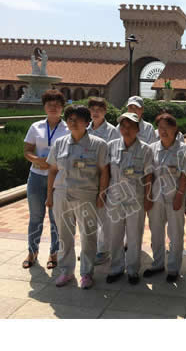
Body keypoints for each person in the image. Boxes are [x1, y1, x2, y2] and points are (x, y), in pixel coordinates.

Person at [46, 105, 110, 288]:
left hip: (86, 195)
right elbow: (52, 170)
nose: (73, 123)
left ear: (87, 122)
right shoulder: (59, 143)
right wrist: (49, 195)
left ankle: (86, 273)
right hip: (62, 194)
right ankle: (66, 271)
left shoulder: (98, 144)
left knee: (88, 235)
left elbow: (104, 172)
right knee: (64, 235)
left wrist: (102, 195)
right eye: (70, 119)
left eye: (78, 119)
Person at [22, 90, 69, 269]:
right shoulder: (36, 127)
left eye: (57, 105)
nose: (53, 108)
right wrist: (37, 160)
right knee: (35, 216)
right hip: (36, 176)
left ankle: (54, 253)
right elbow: (27, 151)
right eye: (49, 105)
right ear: (44, 107)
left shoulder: (68, 128)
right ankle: (32, 251)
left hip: (58, 178)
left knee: (56, 218)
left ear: (62, 108)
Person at [143, 113, 186, 282]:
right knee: (156, 232)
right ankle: (157, 264)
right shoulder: (152, 148)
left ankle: (173, 268)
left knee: (175, 233)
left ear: (175, 129)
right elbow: (148, 174)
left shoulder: (183, 150)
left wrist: (180, 195)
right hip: (156, 197)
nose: (163, 131)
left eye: (167, 127)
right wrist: (148, 196)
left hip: (175, 197)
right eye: (160, 128)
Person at [105, 112, 152, 285]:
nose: (126, 130)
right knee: (115, 235)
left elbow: (149, 176)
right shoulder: (111, 146)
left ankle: (132, 270)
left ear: (138, 129)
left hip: (135, 199)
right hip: (115, 198)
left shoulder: (146, 149)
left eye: (131, 126)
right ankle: (116, 268)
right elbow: (106, 172)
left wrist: (148, 198)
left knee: (134, 235)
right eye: (123, 126)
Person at [87, 96, 121, 266]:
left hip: (105, 178)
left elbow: (115, 155)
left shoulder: (112, 131)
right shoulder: (85, 129)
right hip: (87, 179)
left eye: (99, 110)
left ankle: (103, 250)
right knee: (88, 216)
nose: (96, 112)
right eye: (93, 109)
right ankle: (90, 248)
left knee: (104, 217)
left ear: (105, 111)